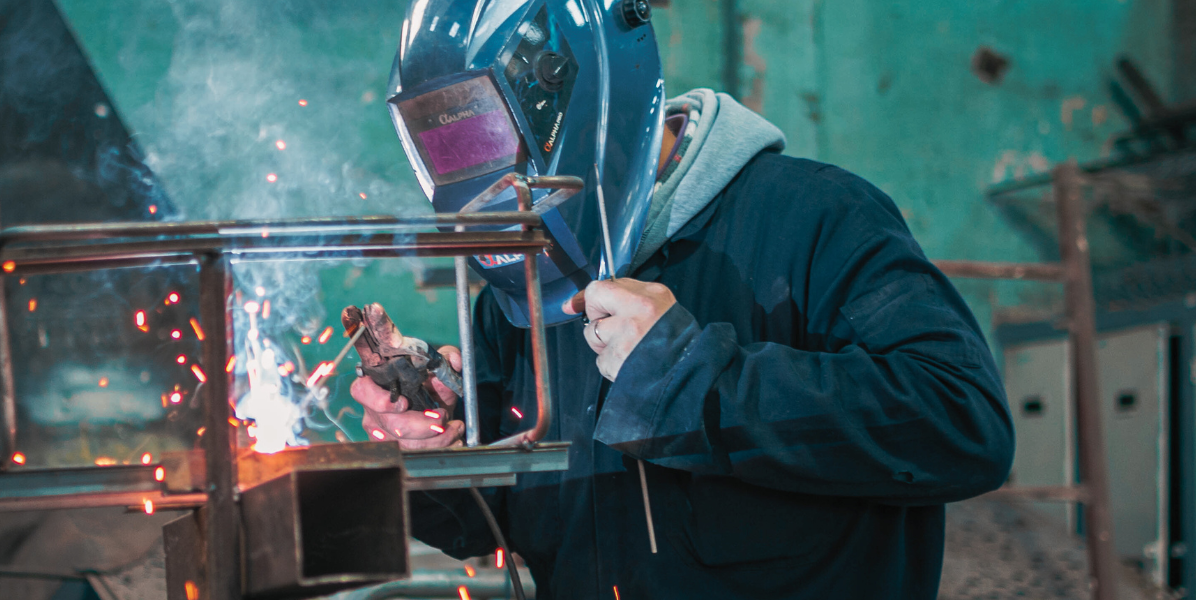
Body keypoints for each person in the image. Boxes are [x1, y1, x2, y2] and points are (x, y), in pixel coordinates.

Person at [352, 1, 1015, 598]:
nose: (480, 184)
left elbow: (964, 424)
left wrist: (695, 379)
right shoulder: (520, 291)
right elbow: (502, 519)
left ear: (567, 85)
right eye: (445, 149)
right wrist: (437, 456)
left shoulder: (812, 217)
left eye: (483, 133)